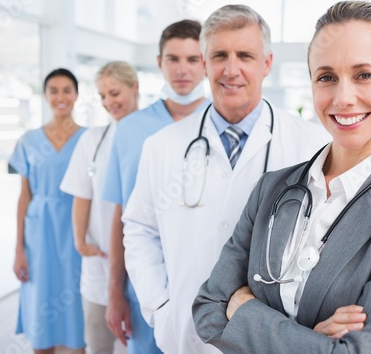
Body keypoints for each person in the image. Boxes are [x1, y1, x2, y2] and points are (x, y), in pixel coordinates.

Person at [192, 2, 371, 353]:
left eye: (364, 75)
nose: (343, 98)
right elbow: (208, 310)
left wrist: (244, 310)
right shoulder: (272, 189)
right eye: (326, 77)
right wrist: (311, 340)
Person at [122, 5, 330, 354]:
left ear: (266, 63)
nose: (231, 70)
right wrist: (160, 305)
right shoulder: (161, 146)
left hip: (271, 337)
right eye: (219, 55)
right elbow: (140, 229)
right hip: (185, 334)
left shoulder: (311, 144)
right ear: (205, 63)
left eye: (245, 55)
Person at [102, 20, 209, 353]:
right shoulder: (132, 128)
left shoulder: (224, 123)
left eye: (193, 59)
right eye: (173, 59)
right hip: (144, 287)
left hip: (209, 289)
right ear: (159, 62)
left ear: (206, 62)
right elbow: (123, 216)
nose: (182, 69)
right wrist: (114, 293)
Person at [60, 61, 139, 354]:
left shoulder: (156, 137)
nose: (109, 103)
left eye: (114, 93)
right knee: (99, 343)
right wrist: (81, 242)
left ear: (135, 87)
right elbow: (82, 194)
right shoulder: (93, 140)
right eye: (102, 96)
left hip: (143, 263)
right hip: (100, 261)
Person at [10, 68, 86, 354]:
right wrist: (18, 249)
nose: (60, 96)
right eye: (53, 90)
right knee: (40, 309)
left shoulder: (89, 139)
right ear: (45, 96)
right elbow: (23, 196)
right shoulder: (29, 141)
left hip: (76, 228)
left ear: (77, 95)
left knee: (76, 309)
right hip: (38, 234)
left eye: (67, 90)